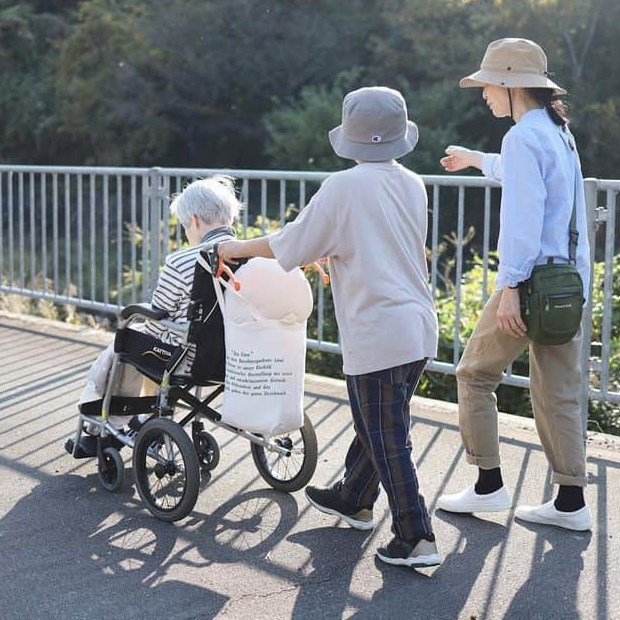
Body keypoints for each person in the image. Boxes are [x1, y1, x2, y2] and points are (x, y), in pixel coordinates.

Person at [219, 86, 441, 568]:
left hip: (377, 329)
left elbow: (289, 243)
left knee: (386, 435)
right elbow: (371, 240)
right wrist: (331, 250)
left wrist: (234, 249)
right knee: (377, 424)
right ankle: (353, 497)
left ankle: (416, 536)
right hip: (418, 325)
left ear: (352, 137)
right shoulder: (412, 183)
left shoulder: (343, 187)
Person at [436, 37, 592, 531]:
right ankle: (570, 503)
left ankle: (488, 486)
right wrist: (475, 158)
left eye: (487, 85)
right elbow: (529, 183)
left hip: (529, 283)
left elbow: (522, 219)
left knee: (474, 375)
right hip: (568, 284)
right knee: (557, 391)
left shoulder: (523, 137)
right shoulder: (556, 132)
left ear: (510, 85)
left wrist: (509, 287)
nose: (483, 93)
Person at [67, 175, 240, 457]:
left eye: (185, 226)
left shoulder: (183, 261)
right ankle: (145, 420)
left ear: (194, 220)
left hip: (190, 360)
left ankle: (104, 427)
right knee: (154, 342)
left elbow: (158, 312)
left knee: (126, 345)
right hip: (237, 358)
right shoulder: (253, 257)